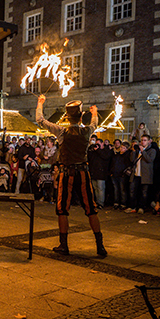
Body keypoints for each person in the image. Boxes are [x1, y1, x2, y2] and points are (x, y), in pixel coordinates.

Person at [35, 94, 106, 257]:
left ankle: (64, 245)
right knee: (91, 209)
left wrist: (40, 103)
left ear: (67, 117)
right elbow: (95, 123)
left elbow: (40, 120)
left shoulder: (61, 131)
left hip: (66, 173)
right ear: (81, 115)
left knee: (62, 210)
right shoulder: (87, 131)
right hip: (83, 173)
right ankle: (100, 246)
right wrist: (94, 112)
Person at [126, 135, 157, 214]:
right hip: (135, 174)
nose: (143, 142)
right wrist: (133, 151)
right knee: (132, 191)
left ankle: (141, 207)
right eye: (142, 140)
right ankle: (132, 206)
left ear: (149, 141)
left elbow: (149, 160)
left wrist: (143, 151)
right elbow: (132, 160)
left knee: (144, 193)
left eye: (145, 140)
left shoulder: (152, 151)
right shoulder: (137, 150)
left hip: (145, 176)